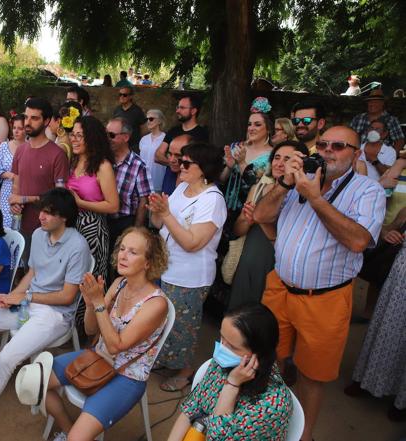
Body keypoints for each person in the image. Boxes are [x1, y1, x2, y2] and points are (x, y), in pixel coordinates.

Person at [253, 126, 386, 441]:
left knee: (312, 376)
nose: (328, 150)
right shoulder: (297, 182)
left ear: (355, 153)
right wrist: (286, 182)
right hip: (280, 288)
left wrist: (315, 199)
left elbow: (357, 241)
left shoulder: (368, 190)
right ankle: (267, 419)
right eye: (323, 144)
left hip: (325, 299)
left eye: (338, 146)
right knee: (269, 361)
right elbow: (261, 214)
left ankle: (303, 435)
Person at [0, 188, 91, 433]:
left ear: (64, 217)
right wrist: (14, 296)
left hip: (55, 315)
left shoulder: (78, 245)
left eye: (49, 213)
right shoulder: (39, 235)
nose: (41, 216)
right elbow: (32, 272)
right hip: (28, 306)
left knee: (5, 360)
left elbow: (68, 296)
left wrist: (23, 296)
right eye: (42, 210)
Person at [45, 227, 169, 440]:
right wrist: (92, 306)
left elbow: (115, 346)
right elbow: (91, 330)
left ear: (149, 262)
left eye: (133, 252)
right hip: (98, 357)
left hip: (127, 375)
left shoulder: (157, 304)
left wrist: (99, 303)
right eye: (122, 249)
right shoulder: (120, 284)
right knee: (35, 383)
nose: (123, 255)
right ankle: (67, 429)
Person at [148, 142, 226, 391]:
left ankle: (184, 371)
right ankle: (168, 361)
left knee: (183, 327)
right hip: (168, 268)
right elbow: (158, 223)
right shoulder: (182, 188)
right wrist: (158, 211)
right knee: (165, 321)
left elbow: (193, 243)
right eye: (181, 160)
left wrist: (167, 215)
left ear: (204, 169)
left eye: (186, 162)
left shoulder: (212, 201)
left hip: (190, 276)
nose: (179, 165)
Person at [166, 304, 293, 441]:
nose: (222, 348)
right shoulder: (224, 363)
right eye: (222, 337)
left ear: (258, 354)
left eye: (232, 346)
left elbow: (217, 438)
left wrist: (232, 385)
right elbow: (191, 409)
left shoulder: (272, 405)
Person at [228, 141, 309, 310]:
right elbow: (237, 230)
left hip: (276, 265)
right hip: (248, 261)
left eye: (287, 159)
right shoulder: (258, 187)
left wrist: (261, 220)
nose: (279, 163)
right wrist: (247, 221)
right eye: (277, 157)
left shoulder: (302, 196)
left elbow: (286, 241)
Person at [345, 226, 406, 422]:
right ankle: (365, 380)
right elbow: (389, 226)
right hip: (399, 278)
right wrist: (389, 233)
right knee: (384, 328)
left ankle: (401, 400)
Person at [9, 98, 69, 250]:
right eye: (26, 117)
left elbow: (60, 198)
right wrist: (15, 204)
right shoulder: (21, 150)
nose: (27, 122)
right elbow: (16, 184)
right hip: (22, 226)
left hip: (48, 230)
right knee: (23, 270)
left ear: (47, 121)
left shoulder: (57, 154)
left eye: (34, 118)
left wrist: (24, 199)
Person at [67, 116, 119, 278]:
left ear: (92, 138)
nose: (74, 140)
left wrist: (80, 202)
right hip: (69, 225)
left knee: (89, 279)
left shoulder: (103, 166)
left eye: (79, 136)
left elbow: (113, 206)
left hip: (93, 228)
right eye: (72, 135)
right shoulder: (72, 161)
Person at [106, 118, 152, 254]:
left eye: (112, 135)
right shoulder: (103, 160)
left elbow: (144, 200)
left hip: (124, 223)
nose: (107, 139)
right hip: (102, 220)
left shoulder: (139, 165)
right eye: (106, 134)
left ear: (126, 137)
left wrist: (136, 230)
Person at [221, 98, 274, 214]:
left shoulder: (274, 156)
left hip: (249, 212)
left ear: (269, 129)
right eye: (249, 124)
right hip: (224, 209)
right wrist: (229, 167)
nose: (251, 128)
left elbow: (259, 189)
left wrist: (241, 163)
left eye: (257, 124)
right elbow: (221, 180)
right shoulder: (237, 147)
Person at [0, 114, 24, 228]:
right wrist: (9, 175)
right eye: (14, 127)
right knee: (6, 225)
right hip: (7, 190)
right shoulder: (4, 146)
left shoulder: (31, 147)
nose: (16, 131)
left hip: (25, 191)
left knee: (23, 225)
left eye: (20, 128)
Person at [154, 93, 209, 166]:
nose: (177, 111)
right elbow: (158, 155)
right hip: (170, 176)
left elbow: (200, 161)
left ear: (193, 111)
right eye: (178, 107)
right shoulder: (173, 130)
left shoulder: (201, 134)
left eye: (182, 108)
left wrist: (173, 162)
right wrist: (174, 164)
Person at [357, 117, 397, 181]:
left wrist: (375, 161)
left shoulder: (390, 151)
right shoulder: (358, 147)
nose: (373, 131)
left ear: (384, 134)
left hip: (377, 187)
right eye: (371, 128)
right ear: (367, 131)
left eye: (378, 129)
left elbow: (388, 175)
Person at [139, 109, 167, 192]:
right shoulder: (144, 139)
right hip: (142, 182)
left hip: (158, 182)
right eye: (146, 119)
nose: (148, 121)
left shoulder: (165, 139)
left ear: (159, 121)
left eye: (151, 119)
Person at [112, 86, 147, 150]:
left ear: (130, 96)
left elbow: (143, 129)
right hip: (120, 145)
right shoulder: (117, 110)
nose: (121, 97)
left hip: (133, 146)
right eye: (120, 95)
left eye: (124, 95)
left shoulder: (137, 111)